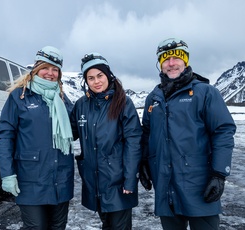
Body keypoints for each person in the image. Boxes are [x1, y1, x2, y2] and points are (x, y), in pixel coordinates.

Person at [139, 38, 236, 230]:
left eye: (177, 58)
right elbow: (147, 133)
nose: (171, 63)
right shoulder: (154, 97)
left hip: (200, 185)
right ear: (160, 63)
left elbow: (223, 131)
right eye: (166, 59)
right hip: (165, 186)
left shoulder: (205, 93)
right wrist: (143, 161)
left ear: (186, 60)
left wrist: (219, 174)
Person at [0, 46, 74, 230]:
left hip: (60, 179)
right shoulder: (19, 96)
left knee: (58, 227)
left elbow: (76, 131)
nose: (50, 73)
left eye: (55, 69)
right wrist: (7, 173)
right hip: (30, 180)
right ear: (36, 68)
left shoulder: (63, 100)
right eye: (46, 68)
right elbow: (5, 137)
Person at [70, 53, 142, 229]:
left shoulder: (124, 103)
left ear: (108, 75)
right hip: (94, 181)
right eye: (91, 78)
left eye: (100, 75)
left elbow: (134, 142)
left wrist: (130, 179)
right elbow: (68, 133)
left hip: (118, 180)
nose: (96, 81)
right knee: (107, 225)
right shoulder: (81, 105)